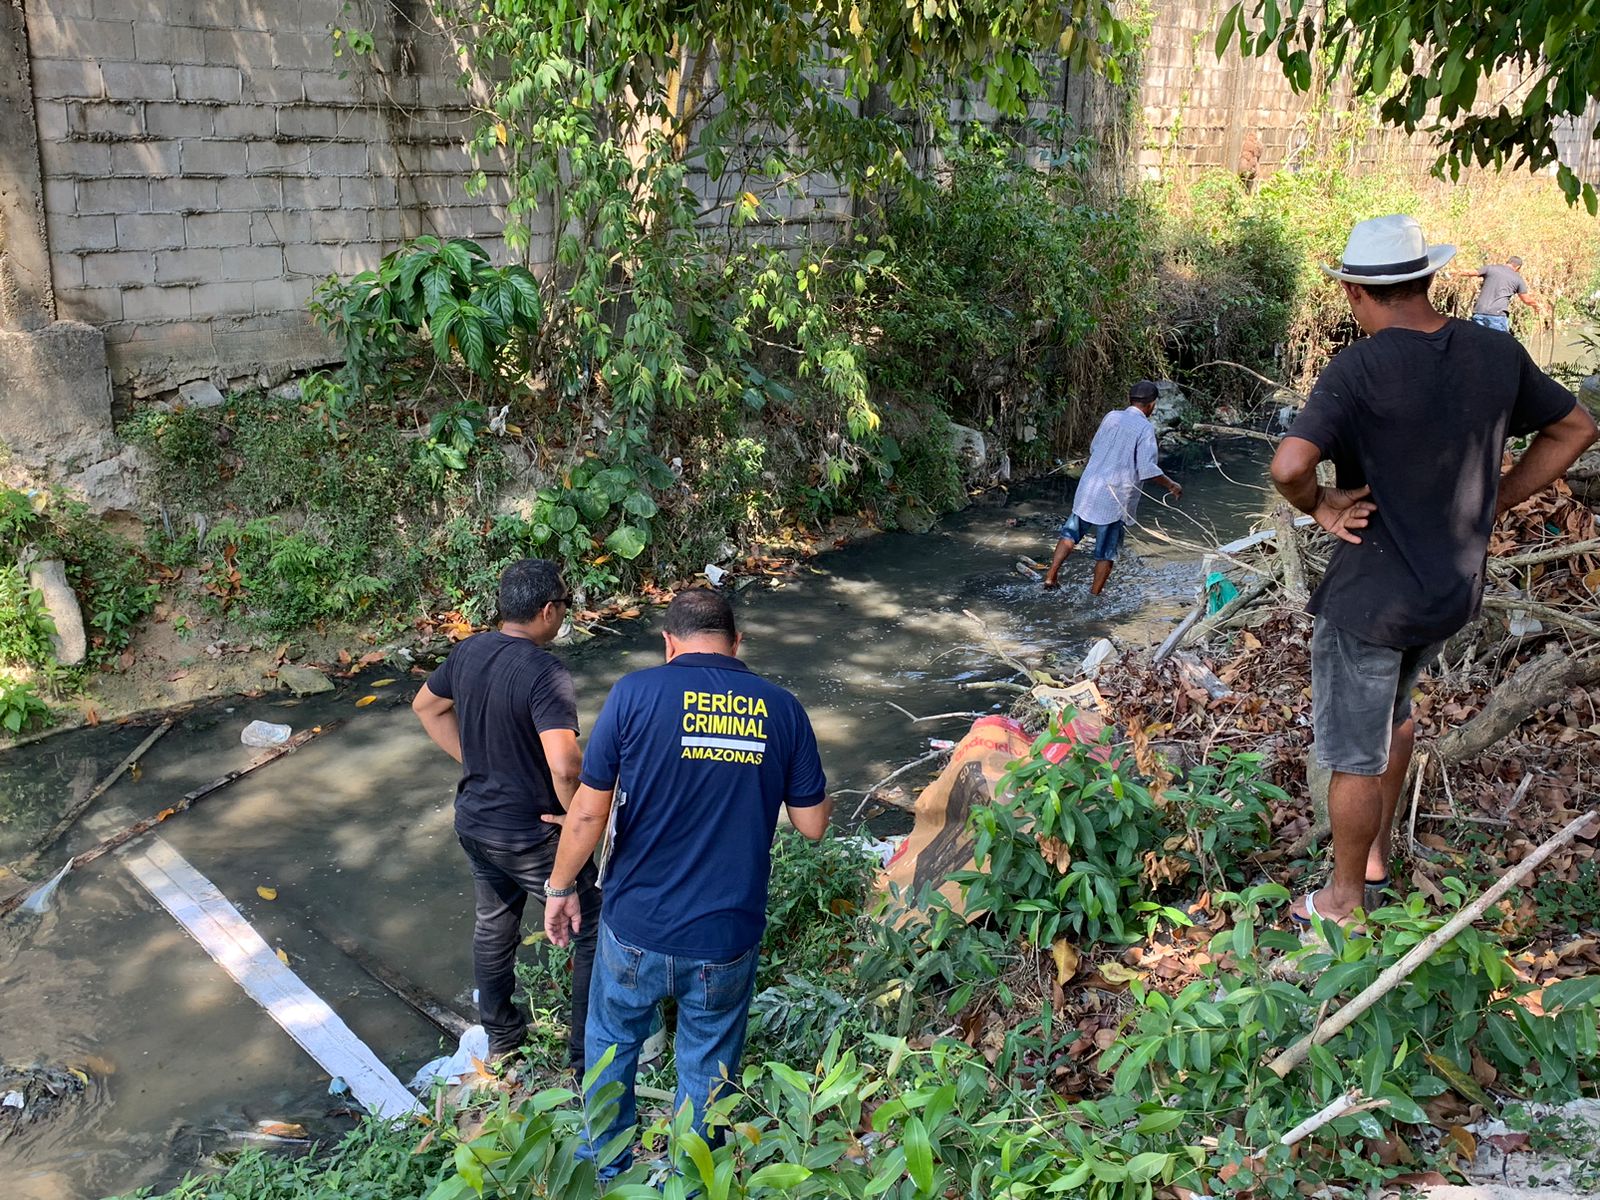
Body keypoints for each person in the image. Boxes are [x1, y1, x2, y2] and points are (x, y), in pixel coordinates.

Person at [1270, 215, 1597, 929]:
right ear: (1426, 279)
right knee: (1395, 719)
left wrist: (1319, 504)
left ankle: (1344, 903)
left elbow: (1290, 465)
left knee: (1353, 755)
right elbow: (1576, 428)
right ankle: (1376, 858)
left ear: (1356, 293)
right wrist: (1500, 496)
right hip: (1449, 590)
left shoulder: (1358, 369)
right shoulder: (1493, 352)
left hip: (1372, 601)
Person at [543, 589, 830, 1174]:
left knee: (612, 1045)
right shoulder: (783, 708)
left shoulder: (633, 694)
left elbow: (589, 813)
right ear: (736, 643)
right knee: (706, 1066)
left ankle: (607, 1171)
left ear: (668, 643)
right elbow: (813, 825)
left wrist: (560, 888)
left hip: (635, 925)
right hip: (725, 934)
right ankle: (692, 1182)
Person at [411, 558, 600, 1070]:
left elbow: (426, 707)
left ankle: (503, 1039)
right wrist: (579, 819)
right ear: (548, 610)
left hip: (475, 821)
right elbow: (565, 766)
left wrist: (476, 762)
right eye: (565, 605)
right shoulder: (545, 672)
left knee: (494, 927)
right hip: (530, 833)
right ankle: (584, 1058)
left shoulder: (469, 650)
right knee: (595, 926)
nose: (564, 614)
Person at [1041, 380, 1183, 594]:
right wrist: (1171, 485)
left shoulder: (1112, 416)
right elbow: (1147, 469)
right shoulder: (1145, 428)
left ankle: (1050, 576)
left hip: (1089, 488)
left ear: (1130, 400)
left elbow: (1094, 447)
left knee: (1070, 534)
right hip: (1114, 497)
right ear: (1152, 405)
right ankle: (1094, 597)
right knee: (1107, 552)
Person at [1456, 255, 1545, 332]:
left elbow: (1471, 272)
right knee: (1500, 343)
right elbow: (1526, 299)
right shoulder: (1518, 279)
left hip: (1479, 312)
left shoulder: (1490, 268)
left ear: (1507, 262)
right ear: (1518, 267)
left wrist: (1454, 272)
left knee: (1478, 342)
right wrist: (1536, 305)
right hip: (1497, 315)